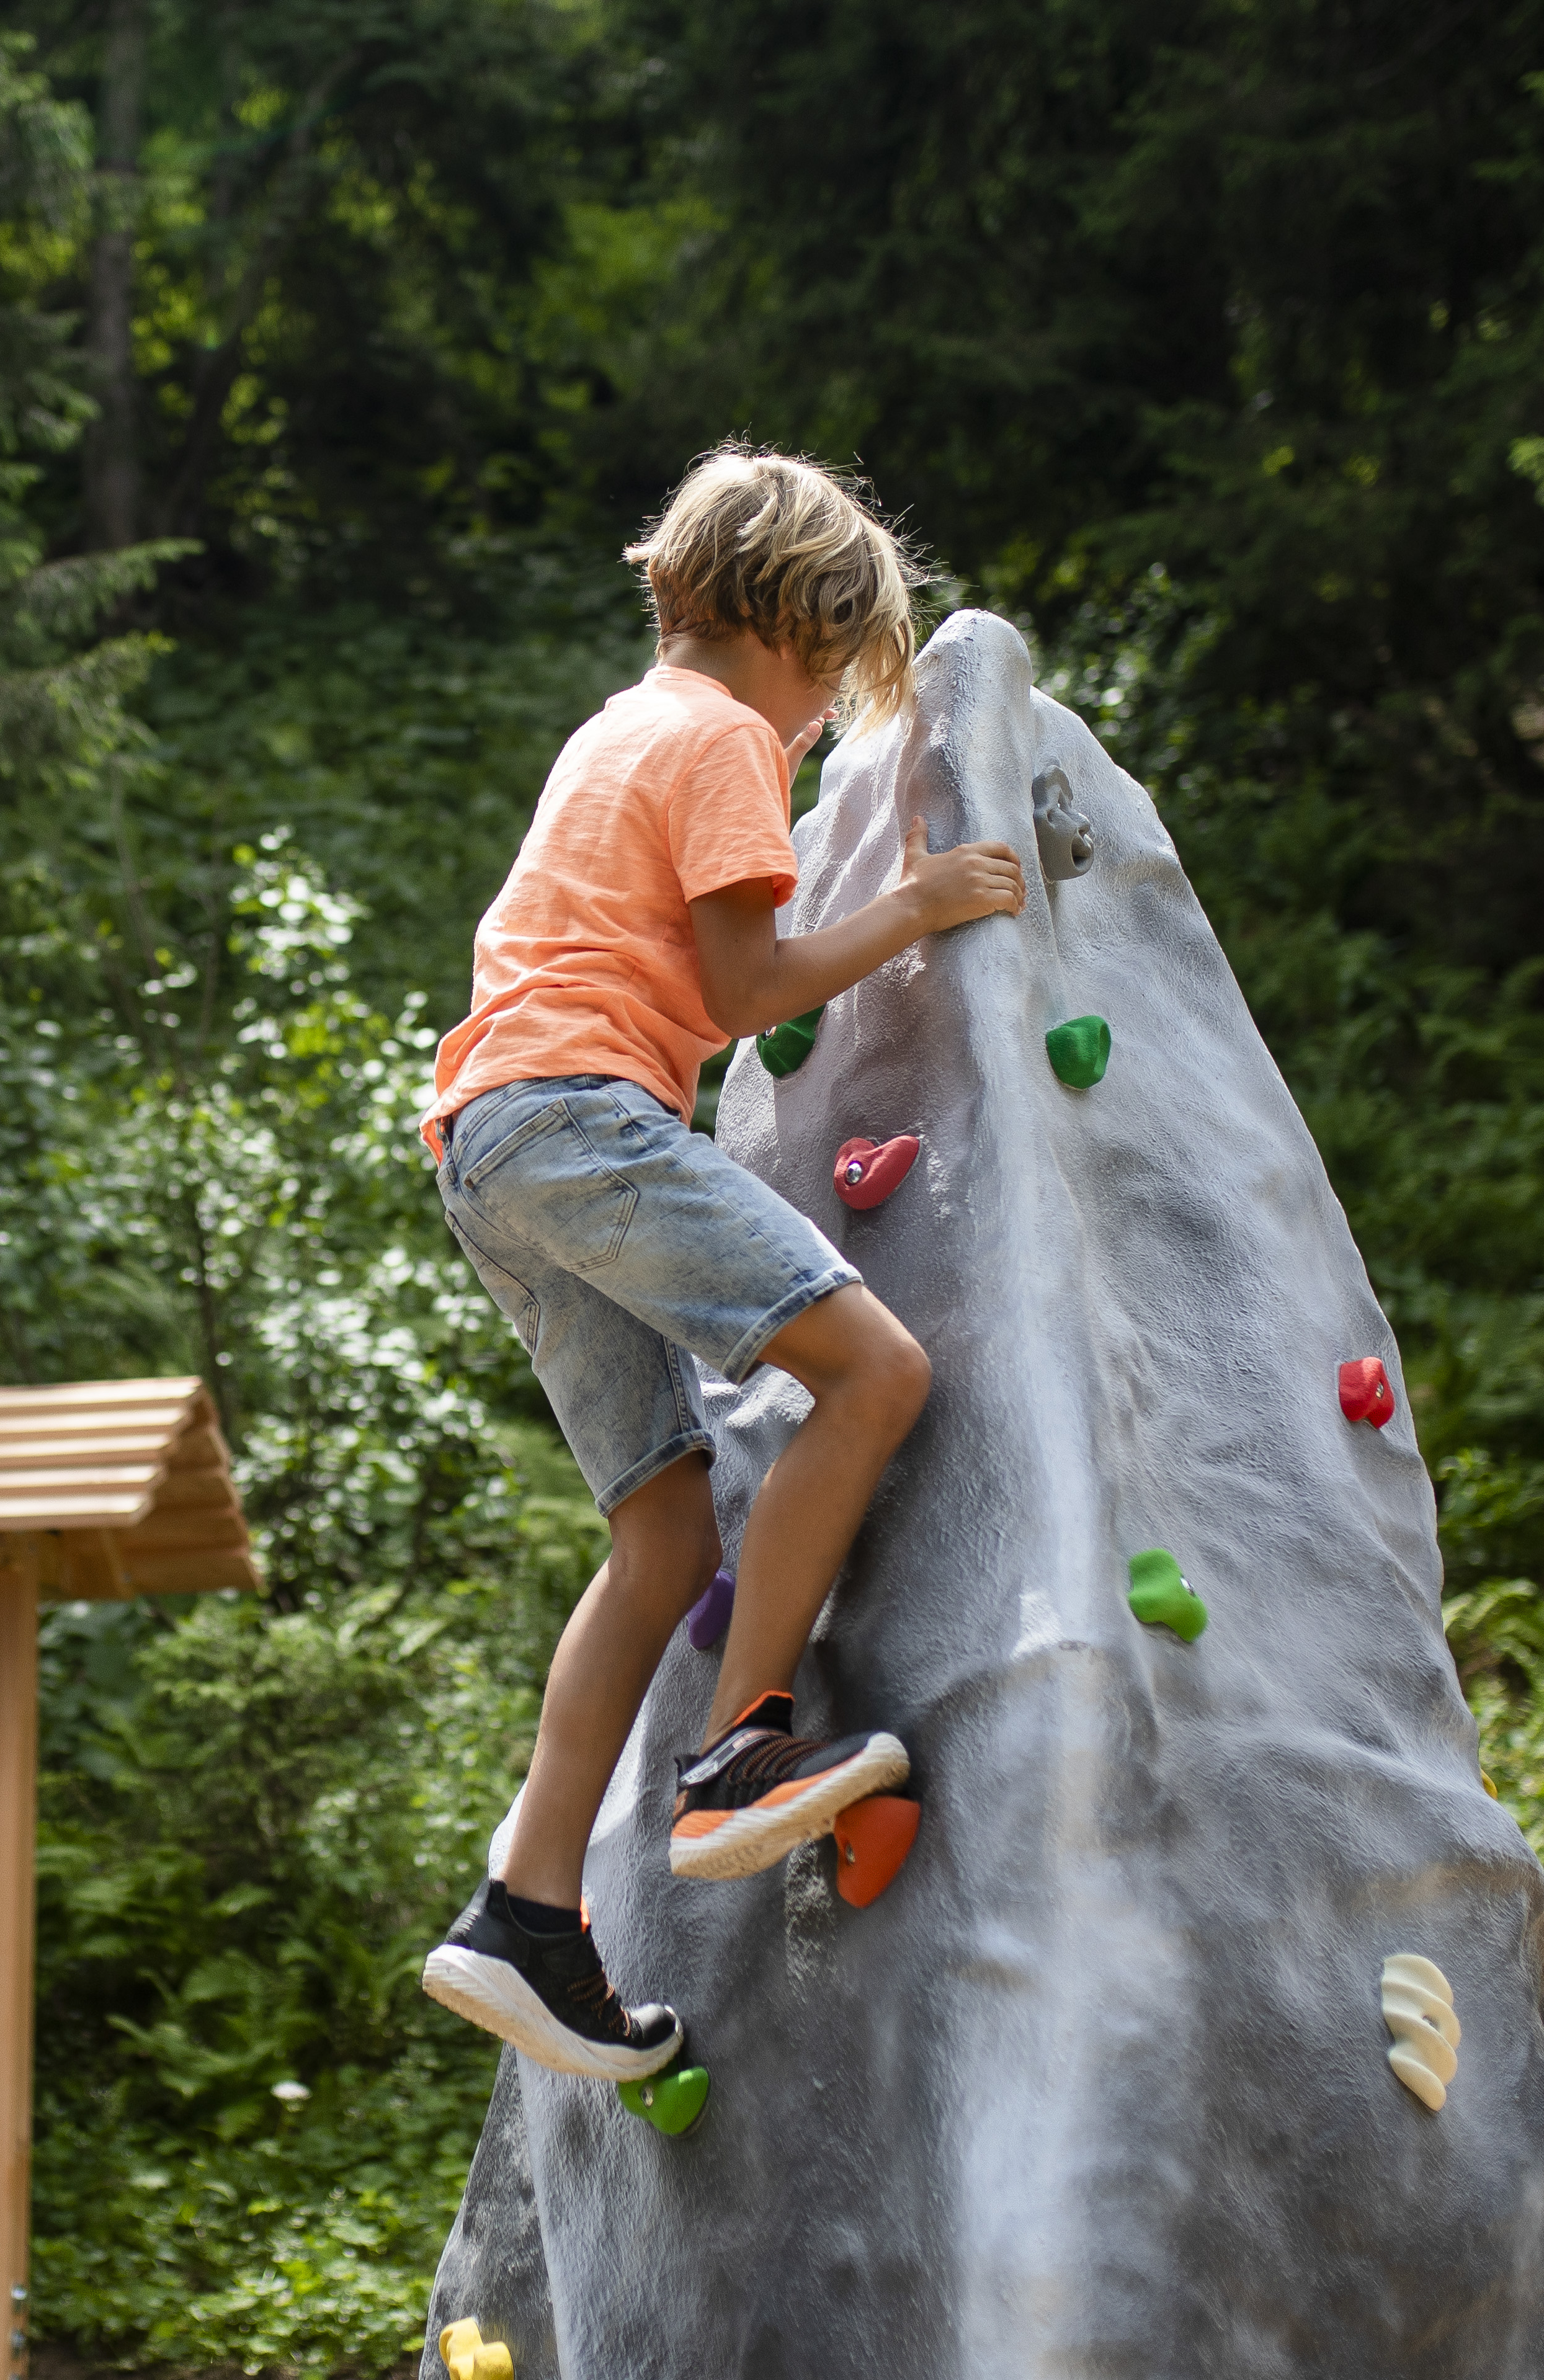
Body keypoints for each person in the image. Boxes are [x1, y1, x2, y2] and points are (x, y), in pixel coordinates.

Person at [416, 446, 1025, 2081]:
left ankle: (527, 1912)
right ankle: (738, 1751)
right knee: (876, 1368)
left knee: (660, 1526)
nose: (824, 712)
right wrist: (919, 904)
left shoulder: (622, 723)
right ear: (789, 623)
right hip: (578, 1119)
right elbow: (750, 984)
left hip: (488, 1144)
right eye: (833, 670)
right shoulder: (720, 738)